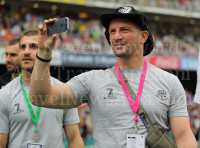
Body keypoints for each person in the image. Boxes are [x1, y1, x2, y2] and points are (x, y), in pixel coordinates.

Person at [30, 6, 196, 148]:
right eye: (112, 31)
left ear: (143, 36)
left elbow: (183, 137)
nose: (116, 36)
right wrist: (44, 52)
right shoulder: (92, 80)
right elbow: (41, 97)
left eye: (125, 30)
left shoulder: (169, 82)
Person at [0, 30, 84, 148]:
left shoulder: (63, 92)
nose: (26, 51)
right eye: (22, 47)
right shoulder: (4, 94)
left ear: (45, 49)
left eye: (34, 46)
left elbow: (74, 139)